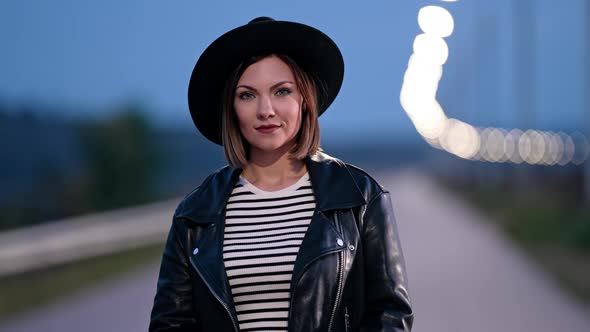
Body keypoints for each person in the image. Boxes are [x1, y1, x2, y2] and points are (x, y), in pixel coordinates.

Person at [149, 16, 413, 332]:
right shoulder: (194, 215)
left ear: (304, 100)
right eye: (247, 95)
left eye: (282, 91)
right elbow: (170, 324)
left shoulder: (360, 197)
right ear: (231, 108)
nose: (266, 110)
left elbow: (391, 315)